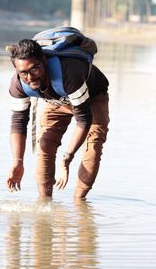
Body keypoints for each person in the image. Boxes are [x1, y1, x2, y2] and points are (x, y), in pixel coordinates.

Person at [6, 37, 109, 198]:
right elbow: (18, 122)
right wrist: (17, 161)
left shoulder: (70, 73)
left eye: (34, 69)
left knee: (93, 145)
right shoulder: (18, 84)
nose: (30, 78)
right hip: (57, 99)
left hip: (91, 97)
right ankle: (44, 202)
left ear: (44, 61)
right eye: (23, 73)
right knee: (45, 143)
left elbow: (84, 119)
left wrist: (67, 157)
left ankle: (79, 203)